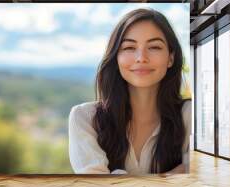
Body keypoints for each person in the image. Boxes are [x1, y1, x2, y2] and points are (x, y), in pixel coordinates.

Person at [68, 8, 191, 175]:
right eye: (129, 47)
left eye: (154, 47)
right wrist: (173, 175)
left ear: (170, 58)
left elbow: (201, 174)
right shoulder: (84, 118)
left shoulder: (190, 115)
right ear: (116, 57)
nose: (141, 57)